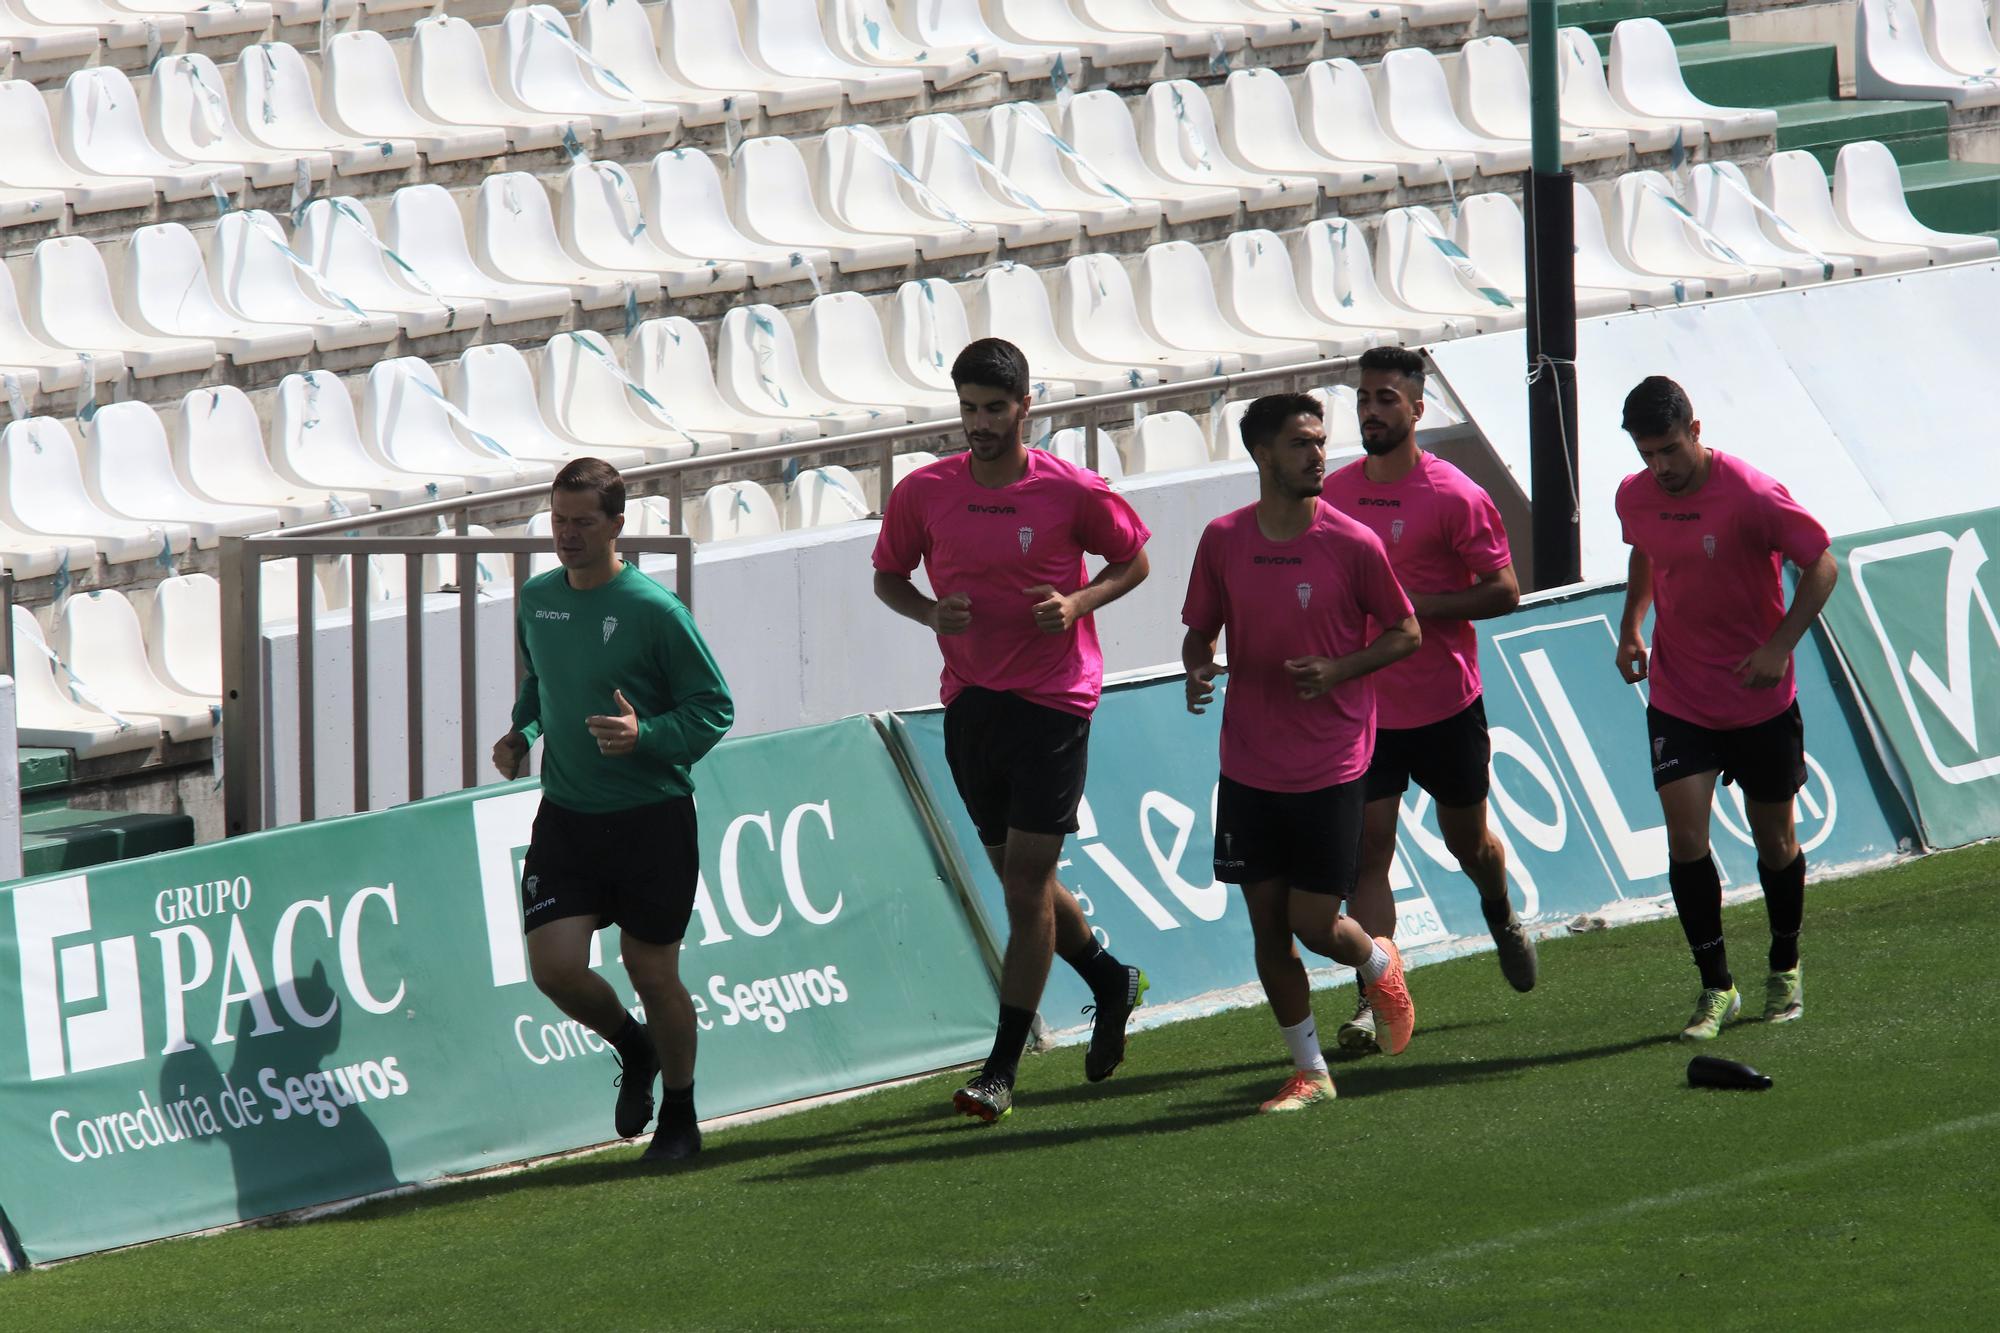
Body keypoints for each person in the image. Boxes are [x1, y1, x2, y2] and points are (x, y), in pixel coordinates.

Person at [873, 337, 1154, 1124]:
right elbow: (888, 576)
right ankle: (1107, 978)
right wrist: (932, 612)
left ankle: (1001, 1067)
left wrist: (1076, 605)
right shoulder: (925, 492)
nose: (980, 424)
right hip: (970, 702)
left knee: (1027, 883)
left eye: (995, 408)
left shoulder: (1070, 488)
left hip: (1054, 700)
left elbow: (1133, 560)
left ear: (1027, 406)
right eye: (968, 408)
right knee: (1018, 881)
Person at [1181, 392, 1423, 1113]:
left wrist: (1339, 669)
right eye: (1300, 443)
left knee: (1314, 925)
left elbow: (1406, 632)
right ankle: (1311, 1070)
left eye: (1321, 441)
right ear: (1261, 455)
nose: (1318, 454)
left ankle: (1379, 962)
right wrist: (1197, 664)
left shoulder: (1353, 542)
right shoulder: (1223, 538)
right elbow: (1200, 629)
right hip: (1249, 764)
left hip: (1330, 764)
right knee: (1266, 929)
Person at [492, 458, 733, 1161]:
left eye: (582, 522)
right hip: (567, 816)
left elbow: (714, 708)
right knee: (554, 967)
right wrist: (522, 732)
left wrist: (647, 736)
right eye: (558, 520)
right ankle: (635, 1047)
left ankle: (682, 1118)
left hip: (652, 818)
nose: (566, 534)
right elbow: (541, 685)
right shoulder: (538, 600)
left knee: (651, 968)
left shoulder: (655, 611)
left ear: (617, 525)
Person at [1321, 346, 1533, 1056]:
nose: (1372, 411)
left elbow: (1504, 590)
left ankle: (1499, 912)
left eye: (1386, 398)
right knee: (1366, 856)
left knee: (1467, 843)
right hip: (1366, 710)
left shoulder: (1454, 493)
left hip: (1444, 703)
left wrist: (1418, 607)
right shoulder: (1336, 493)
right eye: (1363, 399)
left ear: (1416, 409)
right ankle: (1373, 996)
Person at [1613, 376, 1837, 1042]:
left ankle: (1785, 965)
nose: (1660, 466)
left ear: (1696, 430)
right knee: (1686, 839)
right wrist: (1632, 625)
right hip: (1680, 694)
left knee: (1775, 839)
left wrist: (1779, 645)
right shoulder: (1635, 495)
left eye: (1669, 450)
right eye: (1647, 453)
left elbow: (1821, 565)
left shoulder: (1750, 492)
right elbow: (1644, 551)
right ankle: (1717, 988)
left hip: (1757, 694)